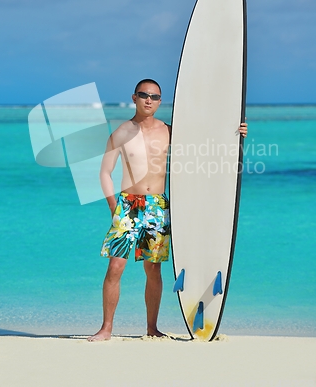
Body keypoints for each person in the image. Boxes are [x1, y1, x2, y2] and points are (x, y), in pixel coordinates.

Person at [88, 79, 247, 341]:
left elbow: (207, 148)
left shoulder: (170, 132)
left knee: (153, 269)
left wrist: (236, 133)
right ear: (134, 97)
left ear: (160, 101)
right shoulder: (121, 133)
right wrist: (114, 207)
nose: (149, 100)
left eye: (154, 96)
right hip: (128, 205)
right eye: (144, 95)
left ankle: (152, 327)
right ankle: (106, 328)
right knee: (115, 267)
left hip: (157, 206)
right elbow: (105, 172)